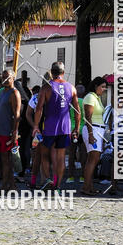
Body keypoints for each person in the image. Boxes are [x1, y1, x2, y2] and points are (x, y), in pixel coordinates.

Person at [33, 62, 80, 192]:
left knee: (44, 155)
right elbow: (77, 111)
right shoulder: (71, 88)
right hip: (65, 127)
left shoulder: (46, 88)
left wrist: (36, 125)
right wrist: (76, 128)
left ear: (51, 72)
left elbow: (39, 109)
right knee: (60, 157)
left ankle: (48, 179)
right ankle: (58, 186)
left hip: (49, 126)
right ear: (63, 73)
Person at [0, 69, 21, 191]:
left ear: (13, 78)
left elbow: (17, 115)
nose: (4, 80)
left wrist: (14, 132)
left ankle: (5, 185)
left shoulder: (14, 93)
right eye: (3, 77)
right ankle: (12, 185)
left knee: (7, 160)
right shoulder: (2, 92)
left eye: (7, 77)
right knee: (3, 159)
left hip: (8, 132)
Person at [81, 76, 108, 195]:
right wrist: (91, 134)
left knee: (93, 159)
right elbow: (88, 117)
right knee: (93, 159)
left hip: (98, 129)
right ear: (96, 86)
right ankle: (86, 187)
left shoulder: (96, 98)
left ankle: (89, 186)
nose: (104, 89)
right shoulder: (90, 97)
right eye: (102, 87)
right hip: (93, 129)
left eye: (105, 87)